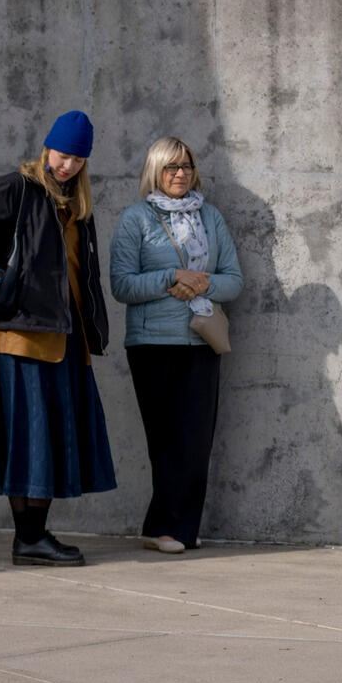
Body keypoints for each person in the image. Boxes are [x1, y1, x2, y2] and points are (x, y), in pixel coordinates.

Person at [0, 111, 116, 566]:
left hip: (68, 341)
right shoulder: (18, 188)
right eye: (62, 154)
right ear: (47, 148)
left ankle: (35, 538)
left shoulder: (77, 205)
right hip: (23, 339)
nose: (67, 164)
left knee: (51, 439)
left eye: (76, 158)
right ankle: (28, 538)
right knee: (26, 439)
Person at [109, 137, 243, 554]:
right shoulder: (136, 219)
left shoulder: (211, 217)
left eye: (186, 166)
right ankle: (162, 527)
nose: (180, 174)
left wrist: (201, 282)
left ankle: (181, 527)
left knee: (197, 438)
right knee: (166, 440)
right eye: (171, 167)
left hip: (201, 340)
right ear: (155, 171)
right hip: (152, 344)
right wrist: (171, 277)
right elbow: (121, 284)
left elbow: (233, 280)